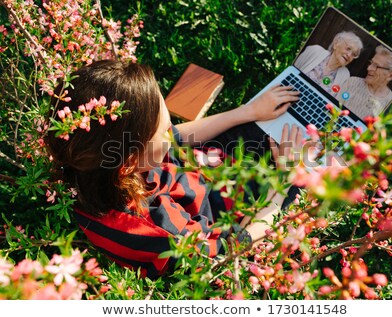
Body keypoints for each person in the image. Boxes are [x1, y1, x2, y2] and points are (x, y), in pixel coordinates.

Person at [45, 60, 302, 279]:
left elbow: (178, 138)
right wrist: (283, 181)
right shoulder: (161, 231)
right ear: (129, 165)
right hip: (232, 216)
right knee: (309, 176)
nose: (172, 130)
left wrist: (247, 112)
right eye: (164, 130)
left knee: (282, 124)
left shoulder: (92, 165)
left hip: (204, 168)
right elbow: (231, 251)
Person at [337, 45, 392, 119]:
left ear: (390, 75)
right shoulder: (352, 82)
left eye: (376, 66)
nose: (369, 68)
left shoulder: (391, 103)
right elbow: (334, 108)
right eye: (371, 63)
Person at [294, 31, 363, 95]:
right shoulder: (314, 51)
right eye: (348, 49)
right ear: (336, 44)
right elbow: (292, 71)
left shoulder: (345, 75)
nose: (349, 55)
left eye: (354, 54)